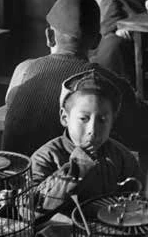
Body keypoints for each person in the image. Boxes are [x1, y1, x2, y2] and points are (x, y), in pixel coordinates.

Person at [2, 0, 148, 163]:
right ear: (96, 42)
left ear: (49, 36)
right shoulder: (104, 84)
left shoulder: (23, 70)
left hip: (11, 181)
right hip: (63, 186)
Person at [29, 69, 141, 220]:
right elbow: (31, 210)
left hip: (109, 234)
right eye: (84, 118)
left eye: (102, 120)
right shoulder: (46, 157)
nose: (93, 130)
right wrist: (75, 168)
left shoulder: (121, 156)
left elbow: (139, 197)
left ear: (112, 121)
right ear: (64, 117)